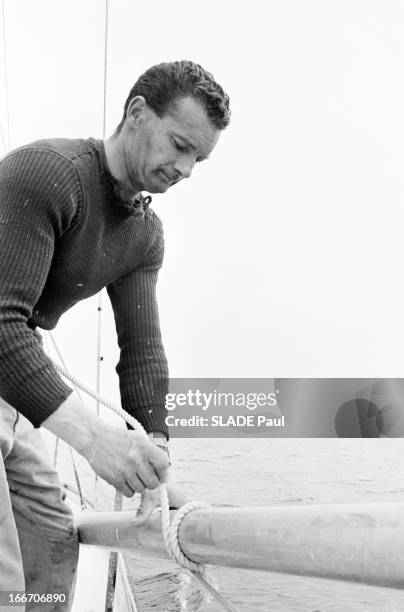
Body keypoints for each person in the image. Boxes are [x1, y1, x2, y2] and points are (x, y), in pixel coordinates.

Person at [0, 60, 230, 610]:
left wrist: (155, 464)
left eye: (199, 157)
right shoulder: (47, 173)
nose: (187, 168)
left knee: (53, 541)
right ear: (136, 113)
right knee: (5, 569)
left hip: (12, 397)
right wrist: (98, 440)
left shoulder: (145, 235)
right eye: (179, 145)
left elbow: (143, 351)